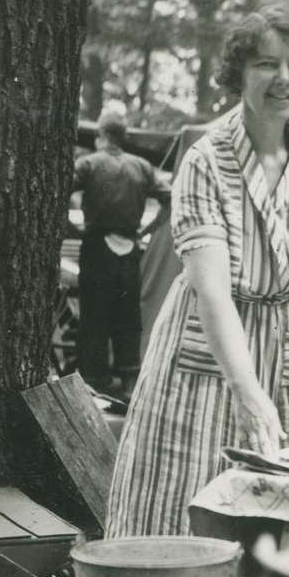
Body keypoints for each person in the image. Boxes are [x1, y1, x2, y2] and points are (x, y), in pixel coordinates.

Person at [106, 5, 289, 539]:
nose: (283, 79)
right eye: (266, 64)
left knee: (270, 525)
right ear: (239, 72)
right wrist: (247, 391)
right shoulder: (206, 159)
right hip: (204, 362)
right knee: (180, 514)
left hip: (281, 358)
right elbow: (213, 290)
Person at [72, 112, 171, 399]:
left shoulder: (89, 163)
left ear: (101, 135)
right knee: (127, 316)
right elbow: (171, 197)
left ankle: (93, 381)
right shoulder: (141, 166)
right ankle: (128, 383)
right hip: (129, 247)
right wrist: (147, 228)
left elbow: (59, 187)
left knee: (93, 315)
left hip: (96, 245)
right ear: (123, 136)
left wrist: (74, 228)